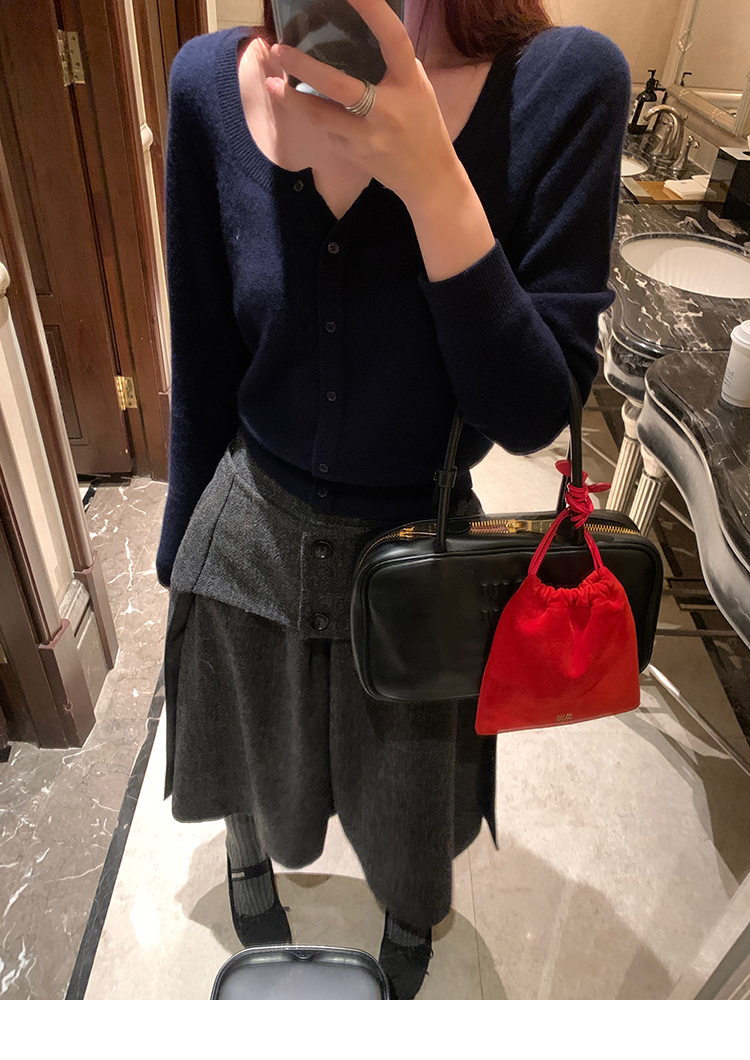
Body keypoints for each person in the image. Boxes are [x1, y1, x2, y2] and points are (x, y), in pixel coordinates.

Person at [157, 0, 630, 999]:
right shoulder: (206, 85)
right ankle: (248, 860)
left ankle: (410, 913)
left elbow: (530, 411)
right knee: (252, 753)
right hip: (249, 531)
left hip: (423, 553)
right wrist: (179, 564)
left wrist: (429, 178)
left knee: (414, 798)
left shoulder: (563, 87)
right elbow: (201, 362)